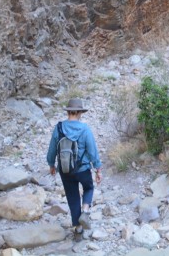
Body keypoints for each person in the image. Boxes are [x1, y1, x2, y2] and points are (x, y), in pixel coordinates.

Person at [47, 98, 103, 235]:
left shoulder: (59, 127)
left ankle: (78, 229)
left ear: (69, 112)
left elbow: (52, 149)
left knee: (73, 197)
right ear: (79, 112)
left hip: (65, 170)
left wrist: (51, 164)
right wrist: (98, 169)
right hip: (82, 169)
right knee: (89, 187)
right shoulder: (84, 129)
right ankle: (85, 212)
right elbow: (92, 151)